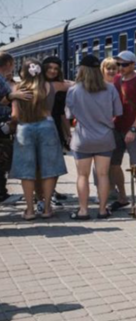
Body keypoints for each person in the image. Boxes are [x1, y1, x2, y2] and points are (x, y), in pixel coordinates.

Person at [8, 59, 68, 220]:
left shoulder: (17, 89)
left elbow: (15, 116)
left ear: (23, 73)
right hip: (47, 127)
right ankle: (47, 208)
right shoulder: (51, 86)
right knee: (49, 168)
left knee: (27, 171)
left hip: (24, 128)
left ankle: (29, 210)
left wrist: (10, 96)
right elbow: (75, 85)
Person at [66, 55, 123, 220]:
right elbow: (118, 112)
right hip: (105, 137)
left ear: (81, 70)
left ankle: (83, 211)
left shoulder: (73, 90)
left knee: (82, 175)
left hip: (82, 138)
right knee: (103, 175)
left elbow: (70, 115)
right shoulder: (110, 88)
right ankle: (103, 210)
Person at [109, 51, 136, 212]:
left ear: (133, 64)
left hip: (135, 128)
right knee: (114, 164)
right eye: (118, 64)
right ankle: (123, 197)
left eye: (124, 64)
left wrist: (134, 128)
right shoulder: (117, 80)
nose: (120, 67)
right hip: (117, 126)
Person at [39, 57, 72, 212]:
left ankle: (50, 192)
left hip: (56, 127)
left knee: (54, 163)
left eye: (56, 68)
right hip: (39, 127)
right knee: (40, 165)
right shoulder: (39, 85)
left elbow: (61, 113)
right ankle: (41, 196)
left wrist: (68, 134)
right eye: (50, 68)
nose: (53, 71)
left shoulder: (60, 85)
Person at [0, 52, 32, 203]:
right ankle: (2, 194)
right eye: (12, 64)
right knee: (3, 160)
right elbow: (2, 101)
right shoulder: (0, 80)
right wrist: (13, 96)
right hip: (2, 125)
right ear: (7, 64)